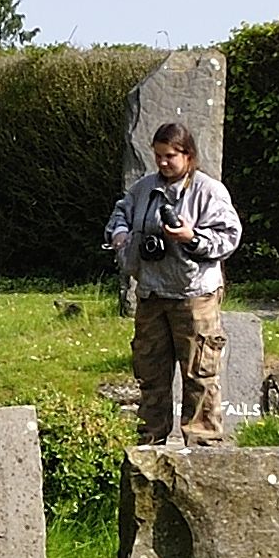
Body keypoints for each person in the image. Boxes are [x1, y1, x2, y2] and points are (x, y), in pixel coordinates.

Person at [106, 121, 244, 444]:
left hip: (195, 296)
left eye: (170, 156)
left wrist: (191, 238)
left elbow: (230, 236)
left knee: (200, 374)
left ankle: (202, 444)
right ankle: (150, 442)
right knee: (150, 373)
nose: (163, 162)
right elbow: (119, 214)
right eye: (158, 156)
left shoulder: (209, 191)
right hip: (151, 294)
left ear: (188, 155)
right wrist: (120, 235)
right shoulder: (143, 189)